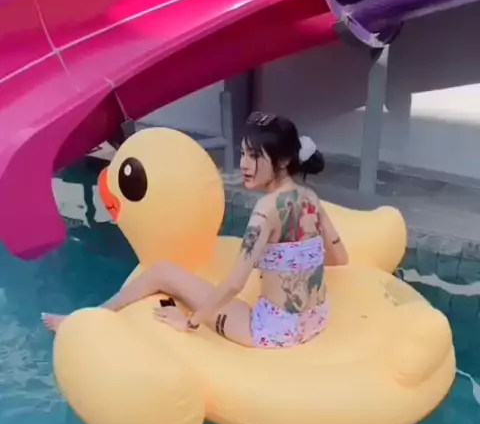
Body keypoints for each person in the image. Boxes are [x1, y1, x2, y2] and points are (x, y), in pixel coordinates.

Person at [42, 113, 348, 349]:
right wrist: (293, 263)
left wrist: (189, 322)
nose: (244, 164)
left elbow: (234, 284)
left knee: (161, 272)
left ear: (283, 161)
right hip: (316, 319)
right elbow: (339, 257)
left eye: (254, 156)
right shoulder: (311, 198)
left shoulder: (265, 210)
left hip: (273, 330)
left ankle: (87, 319)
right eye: (243, 154)